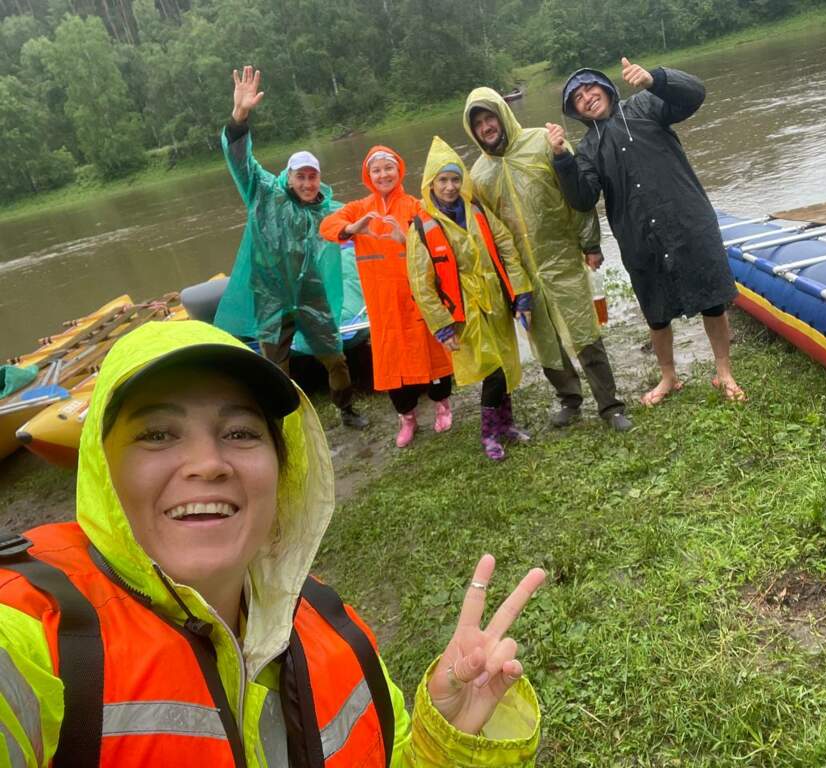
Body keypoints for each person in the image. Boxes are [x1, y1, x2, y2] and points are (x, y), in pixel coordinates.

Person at [0, 319, 545, 766]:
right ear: (103, 467)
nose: (209, 464)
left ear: (283, 469)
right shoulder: (34, 636)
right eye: (157, 434)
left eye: (240, 433)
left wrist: (442, 737)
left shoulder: (337, 635)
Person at [547, 57, 746, 404]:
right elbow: (582, 198)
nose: (587, 96)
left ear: (606, 88)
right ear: (574, 111)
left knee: (713, 303)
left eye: (590, 87)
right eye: (577, 97)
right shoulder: (588, 149)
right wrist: (562, 157)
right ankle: (669, 377)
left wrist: (656, 79)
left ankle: (724, 372)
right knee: (656, 314)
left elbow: (695, 95)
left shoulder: (645, 105)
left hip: (688, 222)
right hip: (639, 239)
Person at [464, 89, 632, 432]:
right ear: (473, 131)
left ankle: (610, 406)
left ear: (502, 114)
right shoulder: (478, 176)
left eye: (489, 118)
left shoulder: (543, 141)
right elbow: (484, 231)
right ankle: (569, 400)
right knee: (543, 339)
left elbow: (576, 195)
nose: (486, 127)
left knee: (583, 329)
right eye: (478, 124)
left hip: (561, 256)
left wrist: (590, 243)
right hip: (522, 270)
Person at [213, 65, 368, 429]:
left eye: (313, 176)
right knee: (274, 366)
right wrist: (239, 116)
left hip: (312, 294)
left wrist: (363, 229)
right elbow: (240, 160)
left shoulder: (326, 209)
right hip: (272, 297)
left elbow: (351, 224)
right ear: (289, 175)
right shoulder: (264, 192)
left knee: (336, 358)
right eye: (301, 176)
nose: (308, 182)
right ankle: (279, 425)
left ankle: (345, 408)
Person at [407, 137, 533, 461]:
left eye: (455, 179)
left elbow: (505, 246)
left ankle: (506, 425)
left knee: (504, 365)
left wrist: (521, 294)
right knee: (491, 370)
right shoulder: (422, 227)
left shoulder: (476, 210)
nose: (450, 187)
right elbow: (421, 284)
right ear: (430, 183)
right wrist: (443, 328)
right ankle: (489, 434)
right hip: (464, 312)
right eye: (442, 180)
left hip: (495, 302)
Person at [320, 147, 455, 448]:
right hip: (383, 307)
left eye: (388, 168)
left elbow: (437, 247)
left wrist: (406, 241)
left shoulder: (416, 206)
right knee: (392, 366)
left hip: (417, 299)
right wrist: (350, 229)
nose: (383, 175)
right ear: (369, 176)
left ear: (399, 171)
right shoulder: (357, 208)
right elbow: (326, 226)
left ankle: (442, 405)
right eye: (377, 170)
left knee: (433, 357)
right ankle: (406, 418)